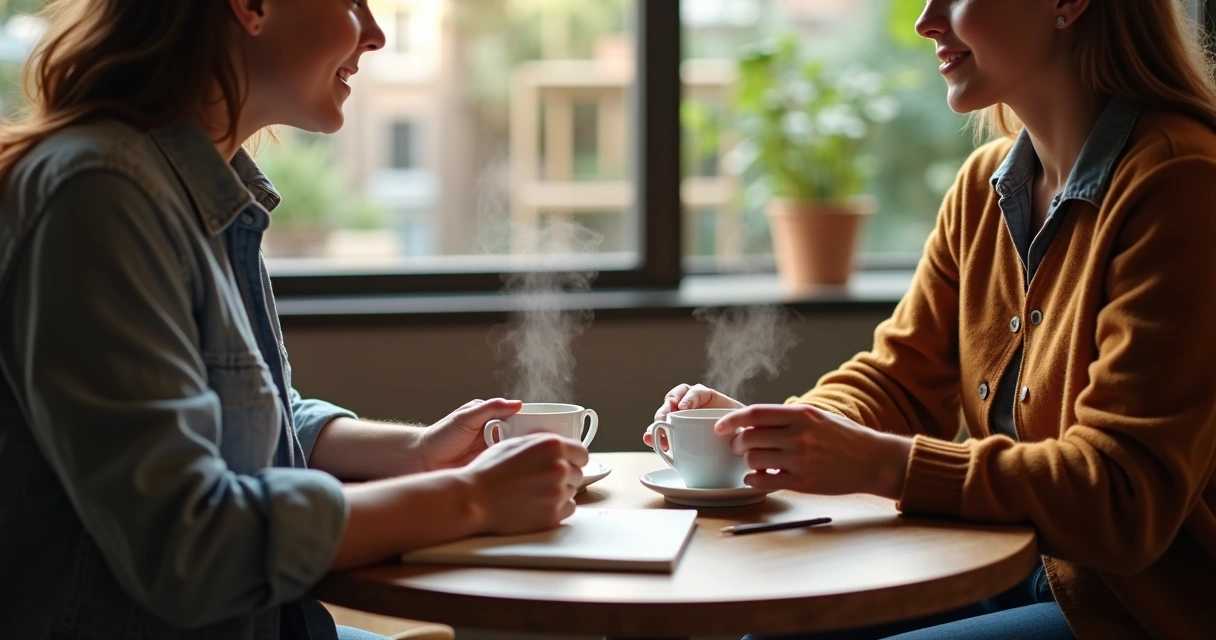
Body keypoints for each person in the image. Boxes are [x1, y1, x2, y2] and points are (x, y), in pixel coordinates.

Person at [0, 2, 588, 639]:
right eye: (353, 3)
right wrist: (468, 501)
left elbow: (236, 418)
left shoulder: (195, 188)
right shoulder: (100, 196)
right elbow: (186, 545)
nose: (377, 34)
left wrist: (417, 454)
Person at [646, 0, 1216, 637]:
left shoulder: (1181, 180)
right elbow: (897, 379)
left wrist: (881, 463)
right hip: (1000, 562)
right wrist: (787, 433)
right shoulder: (984, 188)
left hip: (1132, 610)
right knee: (769, 632)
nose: (926, 21)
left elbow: (1122, 497)